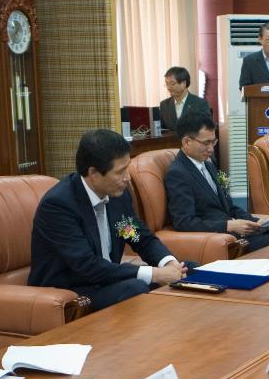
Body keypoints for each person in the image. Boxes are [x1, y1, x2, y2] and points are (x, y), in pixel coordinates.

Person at [30, 128, 186, 310]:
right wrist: (155, 274)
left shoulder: (116, 197)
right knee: (137, 287)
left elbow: (139, 238)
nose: (127, 178)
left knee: (187, 269)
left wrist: (168, 264)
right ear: (94, 174)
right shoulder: (59, 205)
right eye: (120, 172)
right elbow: (88, 266)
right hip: (74, 291)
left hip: (107, 282)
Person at [163, 112, 269, 252]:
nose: (211, 149)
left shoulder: (208, 164)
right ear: (187, 141)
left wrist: (256, 222)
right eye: (206, 143)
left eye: (213, 142)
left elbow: (229, 207)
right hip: (223, 237)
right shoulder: (178, 173)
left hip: (237, 232)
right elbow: (184, 222)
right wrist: (228, 226)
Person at [158, 66, 211, 132]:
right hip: (170, 142)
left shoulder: (200, 104)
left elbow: (206, 128)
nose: (168, 87)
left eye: (172, 84)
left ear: (183, 83)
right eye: (167, 84)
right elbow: (161, 129)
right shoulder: (164, 105)